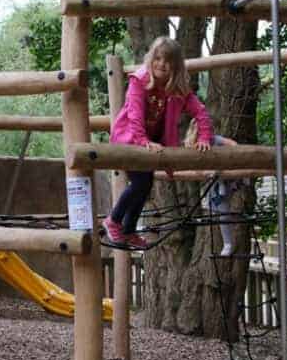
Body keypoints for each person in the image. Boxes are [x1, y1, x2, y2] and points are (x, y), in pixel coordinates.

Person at [103, 36, 214, 249]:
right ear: (150, 60)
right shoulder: (140, 81)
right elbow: (134, 114)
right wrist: (143, 141)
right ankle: (114, 220)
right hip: (129, 139)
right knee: (140, 184)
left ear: (176, 65)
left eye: (167, 60)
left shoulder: (177, 89)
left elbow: (200, 112)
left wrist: (204, 137)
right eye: (157, 58)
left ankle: (128, 230)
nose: (161, 64)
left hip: (150, 144)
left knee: (145, 186)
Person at [184, 122, 241, 256]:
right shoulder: (191, 144)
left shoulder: (215, 140)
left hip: (224, 177)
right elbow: (193, 167)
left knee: (222, 209)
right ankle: (228, 243)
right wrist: (206, 172)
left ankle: (228, 243)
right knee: (221, 209)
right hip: (210, 178)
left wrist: (224, 156)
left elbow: (234, 145)